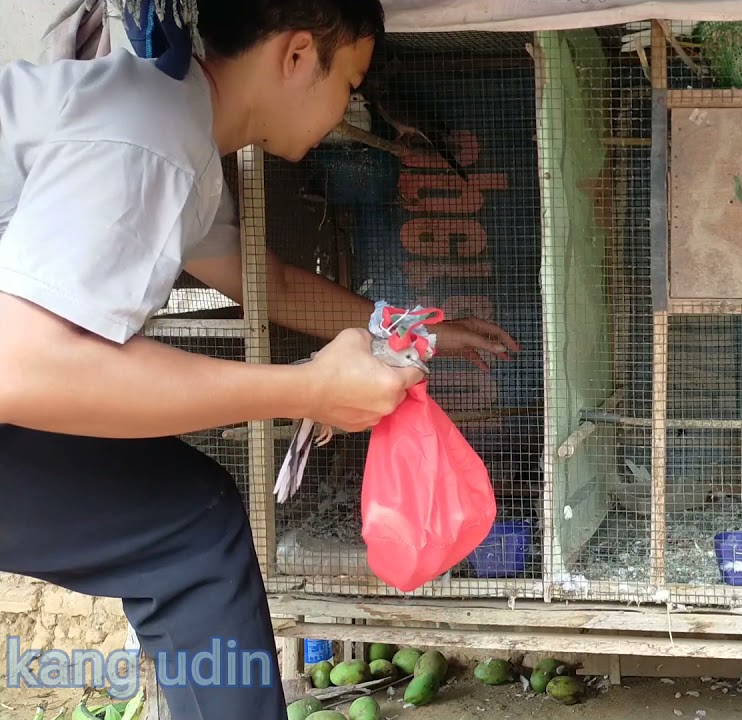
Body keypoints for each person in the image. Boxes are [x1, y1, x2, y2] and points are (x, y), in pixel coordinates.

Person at [0, 0, 520, 716]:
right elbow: (23, 367)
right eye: (353, 81)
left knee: (191, 525)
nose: (349, 109)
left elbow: (262, 282)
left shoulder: (173, 122)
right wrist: (303, 390)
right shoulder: (148, 138)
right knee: (189, 535)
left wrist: (412, 329)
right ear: (299, 55)